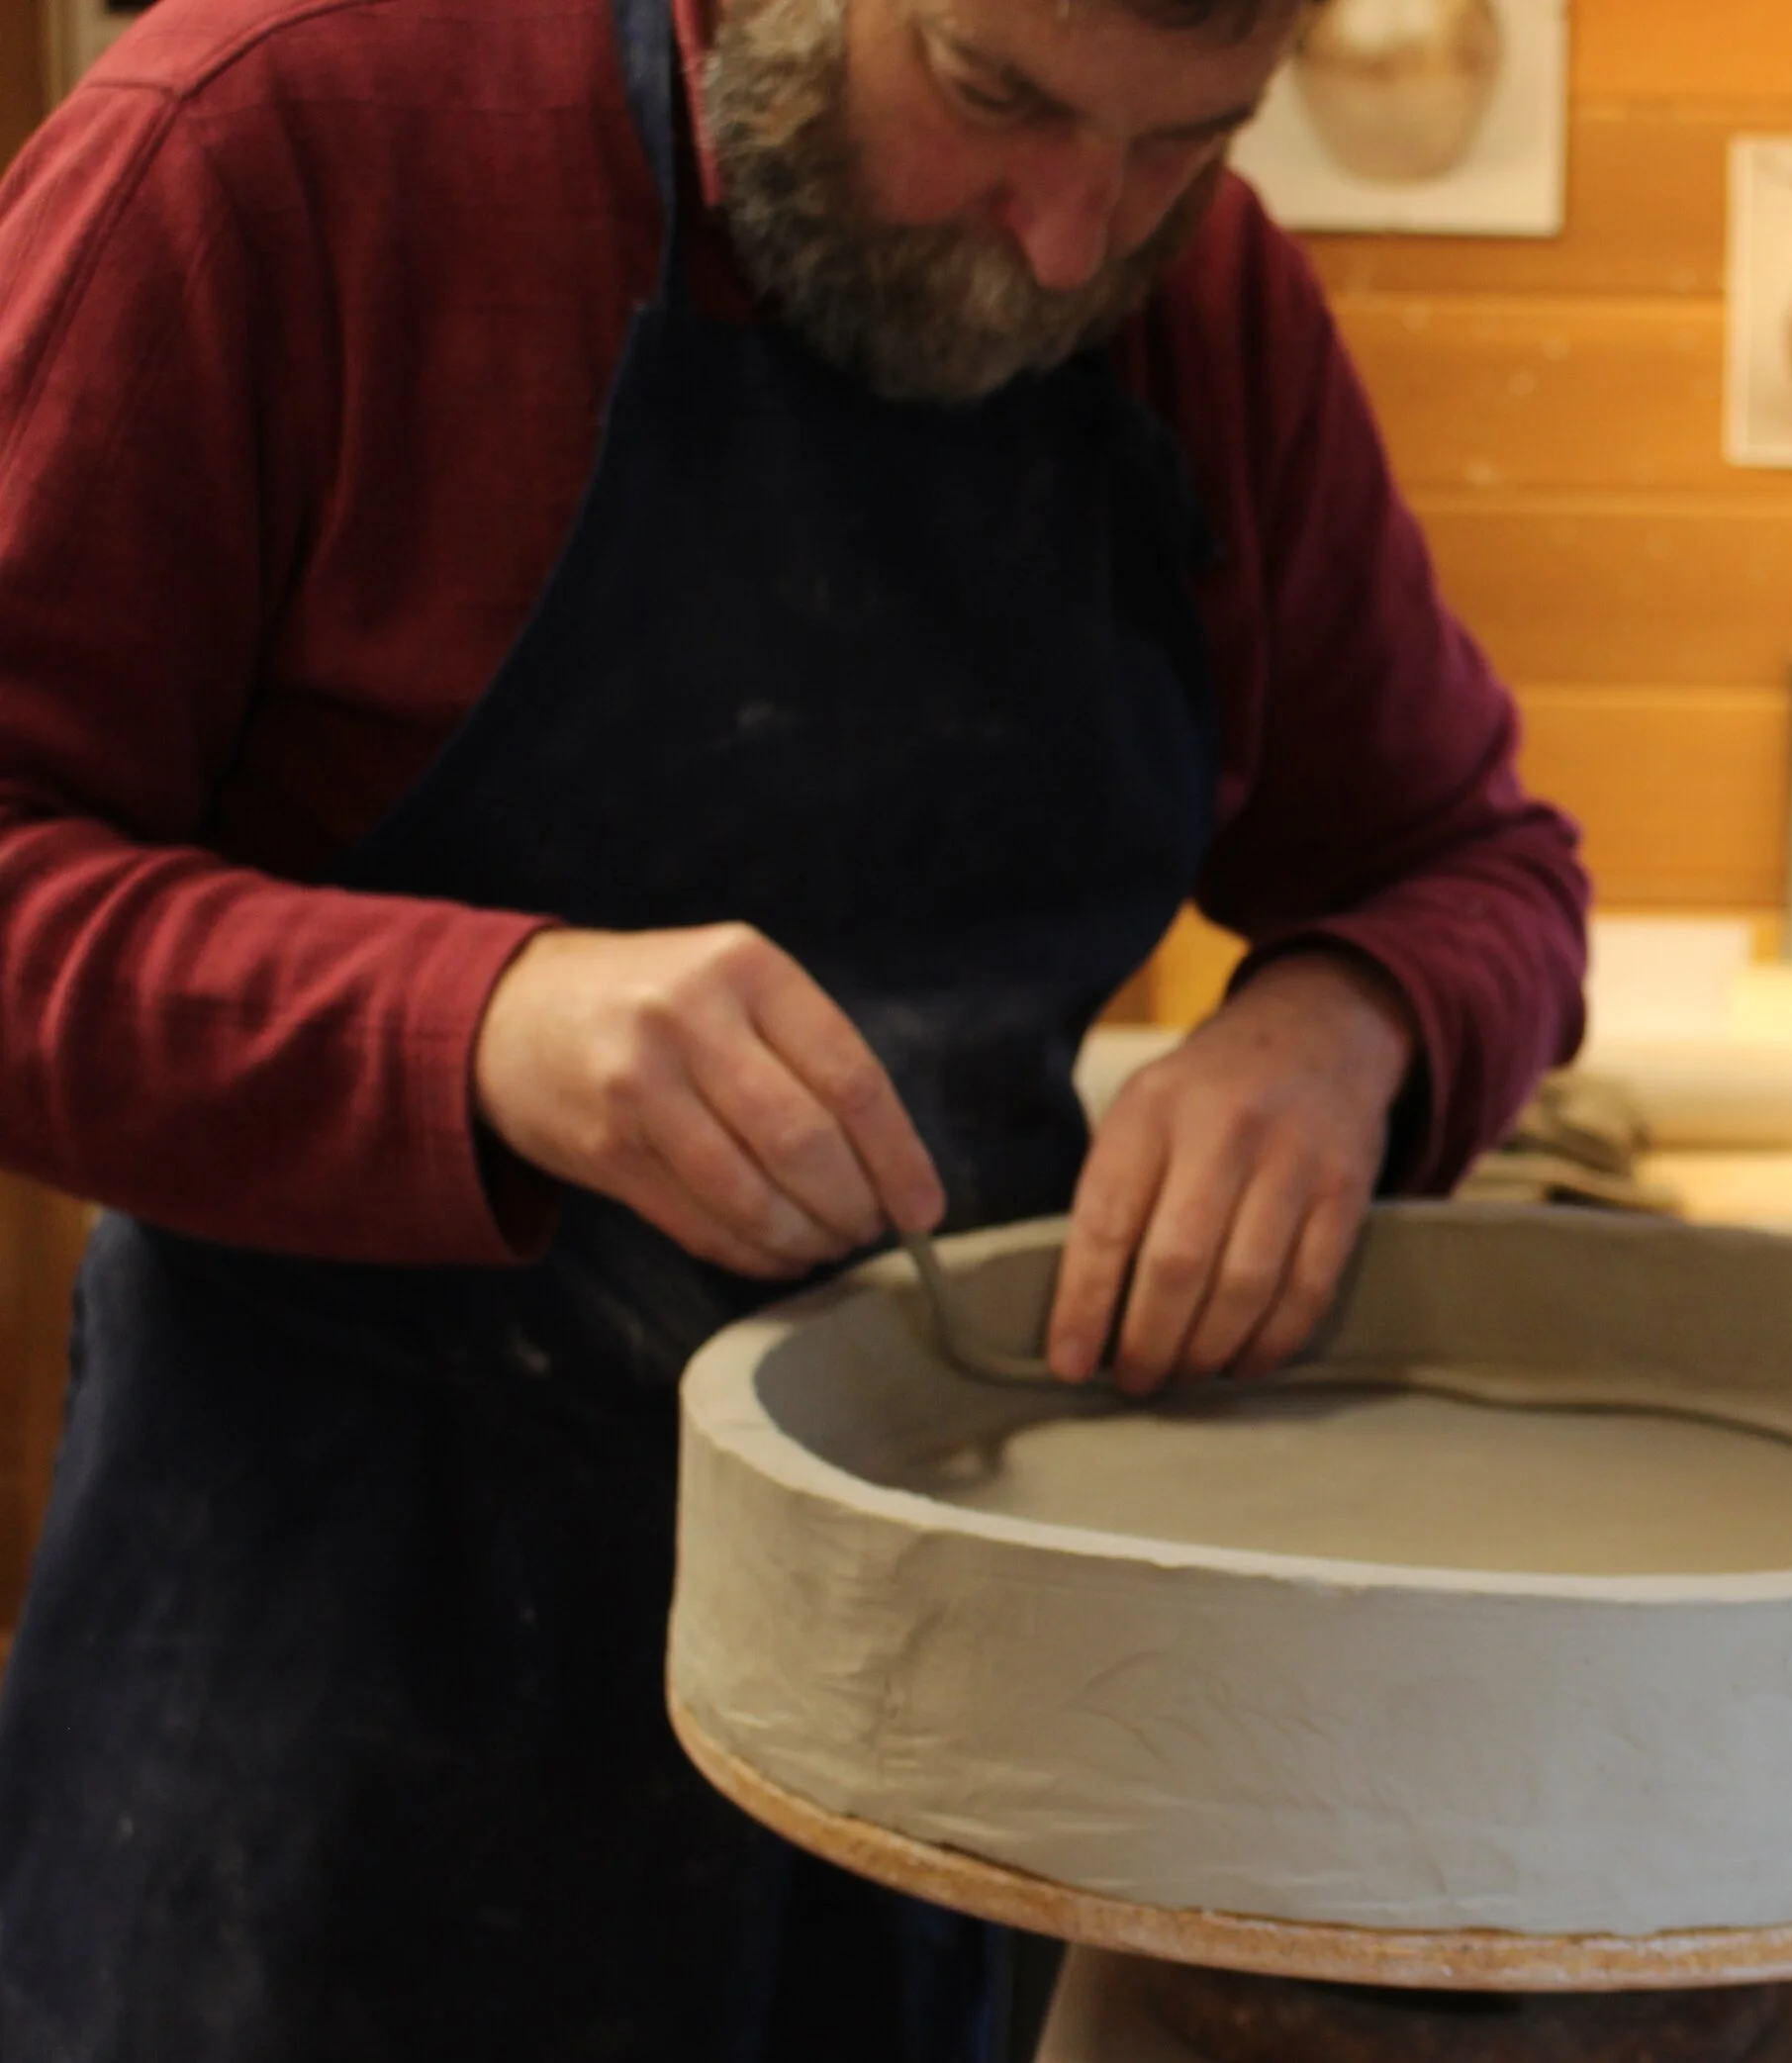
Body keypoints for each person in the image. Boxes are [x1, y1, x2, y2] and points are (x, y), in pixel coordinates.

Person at [0, 0, 1589, 2052]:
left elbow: (1478, 867)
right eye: (992, 97)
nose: (1064, 239)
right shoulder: (274, 150)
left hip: (929, 1748)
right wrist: (472, 1024)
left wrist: (1342, 1029)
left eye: (1181, 143)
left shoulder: (1202, 304)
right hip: (317, 1731)